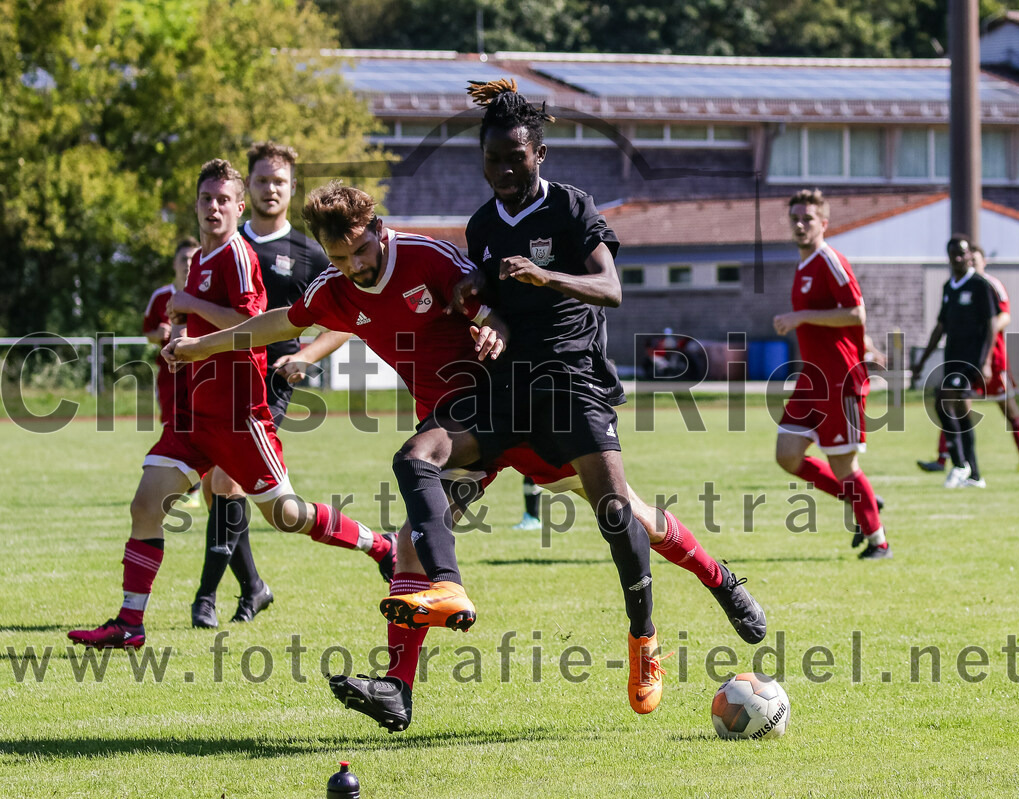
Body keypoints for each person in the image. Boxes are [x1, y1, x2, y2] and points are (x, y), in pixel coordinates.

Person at [171, 180, 764, 730]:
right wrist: (200, 346)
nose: (352, 267)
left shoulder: (427, 257)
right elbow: (278, 322)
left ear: (377, 227)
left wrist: (492, 325)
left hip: (513, 408)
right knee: (409, 540)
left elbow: (485, 297)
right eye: (339, 259)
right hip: (465, 431)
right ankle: (398, 687)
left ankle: (721, 582)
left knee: (631, 516)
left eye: (357, 252)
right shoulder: (335, 290)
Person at [381, 78, 765, 718]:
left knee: (619, 514)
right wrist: (488, 325)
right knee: (419, 483)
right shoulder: (480, 227)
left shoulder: (570, 208)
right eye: (491, 159)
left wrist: (543, 274)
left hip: (572, 383)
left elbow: (610, 287)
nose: (503, 169)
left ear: (540, 155)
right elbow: (502, 311)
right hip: (505, 392)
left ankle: (647, 639)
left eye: (516, 157)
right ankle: (402, 681)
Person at [67, 159, 392, 650]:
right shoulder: (199, 258)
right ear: (196, 205)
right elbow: (199, 324)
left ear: (239, 208)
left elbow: (250, 322)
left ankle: (380, 546)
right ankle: (130, 624)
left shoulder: (238, 255)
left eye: (224, 200)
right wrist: (181, 340)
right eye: (206, 198)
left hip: (240, 418)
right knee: (145, 505)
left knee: (286, 513)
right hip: (195, 417)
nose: (214, 207)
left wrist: (193, 312)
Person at [189, 141, 356, 630]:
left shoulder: (308, 253)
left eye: (278, 182)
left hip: (271, 379)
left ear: (291, 188)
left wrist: (305, 355)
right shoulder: (222, 243)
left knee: (227, 480)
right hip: (218, 377)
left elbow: (346, 320)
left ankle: (204, 597)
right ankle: (255, 587)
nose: (270, 189)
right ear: (249, 188)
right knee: (221, 485)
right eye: (261, 180)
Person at [773, 189, 891, 559]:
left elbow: (856, 311)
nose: (800, 224)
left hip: (841, 379)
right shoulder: (804, 264)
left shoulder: (829, 259)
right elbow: (844, 320)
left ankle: (879, 542)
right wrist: (866, 343)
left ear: (823, 223)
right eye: (795, 218)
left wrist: (800, 317)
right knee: (787, 456)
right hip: (813, 379)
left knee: (844, 464)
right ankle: (862, 502)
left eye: (807, 219)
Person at [916, 244, 1019, 476]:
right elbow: (942, 323)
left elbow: (1003, 316)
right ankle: (950, 461)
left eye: (975, 260)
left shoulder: (989, 286)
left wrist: (984, 327)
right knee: (951, 403)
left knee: (1010, 410)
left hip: (991, 360)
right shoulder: (956, 286)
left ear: (983, 262)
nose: (971, 264)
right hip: (967, 359)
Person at [911, 236, 999, 488]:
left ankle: (960, 464)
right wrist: (922, 360)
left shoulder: (980, 285)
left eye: (962, 253)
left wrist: (987, 361)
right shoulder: (949, 287)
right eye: (953, 254)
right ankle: (975, 475)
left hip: (972, 359)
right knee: (961, 413)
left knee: (941, 402)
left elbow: (992, 325)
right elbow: (941, 326)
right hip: (952, 357)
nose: (958, 258)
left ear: (970, 254)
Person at [143, 238, 201, 508]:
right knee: (172, 424)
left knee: (201, 424)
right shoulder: (160, 296)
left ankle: (197, 486)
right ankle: (182, 484)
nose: (188, 264)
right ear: (174, 263)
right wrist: (160, 335)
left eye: (193, 258)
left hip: (202, 371)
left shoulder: (205, 291)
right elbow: (148, 332)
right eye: (183, 259)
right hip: (169, 374)